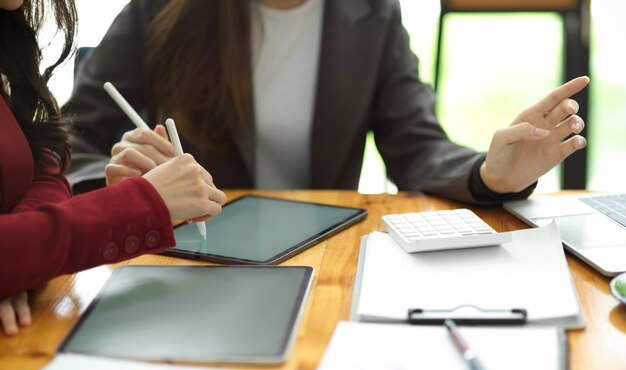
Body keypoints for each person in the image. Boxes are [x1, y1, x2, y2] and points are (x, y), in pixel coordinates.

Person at [65, 0, 588, 204]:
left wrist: (488, 174)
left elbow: (416, 146)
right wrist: (118, 192)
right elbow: (76, 141)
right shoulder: (165, 8)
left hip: (322, 252)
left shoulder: (373, 15)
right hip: (193, 252)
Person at [0, 0, 227, 336]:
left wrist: (23, 261)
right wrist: (141, 202)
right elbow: (77, 141)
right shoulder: (160, 11)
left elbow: (43, 166)